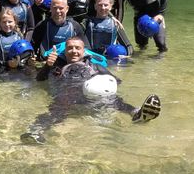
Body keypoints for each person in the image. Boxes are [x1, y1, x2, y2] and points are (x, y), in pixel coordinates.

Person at [20, 37, 161, 144]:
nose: (74, 51)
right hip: (68, 93)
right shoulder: (57, 67)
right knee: (57, 110)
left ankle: (136, 113)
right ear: (65, 51)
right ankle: (35, 131)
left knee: (114, 99)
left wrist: (102, 83)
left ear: (83, 51)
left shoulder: (95, 66)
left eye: (77, 48)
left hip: (92, 93)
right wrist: (47, 66)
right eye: (70, 48)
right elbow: (39, 80)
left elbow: (116, 81)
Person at [0, 7, 34, 71]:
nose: (7, 24)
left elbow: (24, 56)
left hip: (17, 71)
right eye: (4, 22)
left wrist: (29, 60)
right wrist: (7, 63)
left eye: (10, 22)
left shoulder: (20, 36)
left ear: (15, 22)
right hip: (1, 70)